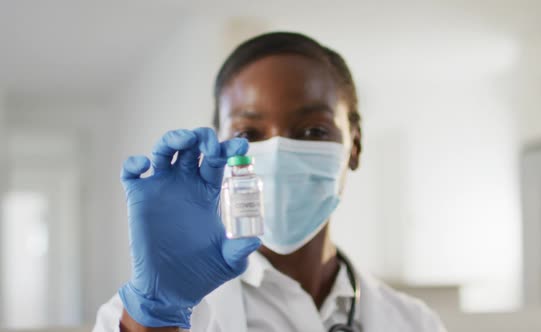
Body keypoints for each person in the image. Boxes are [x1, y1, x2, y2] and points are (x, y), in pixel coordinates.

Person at [93, 32, 447, 332]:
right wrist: (158, 313)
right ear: (220, 147)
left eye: (312, 130)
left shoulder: (414, 322)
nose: (278, 152)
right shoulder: (136, 319)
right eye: (249, 133)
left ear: (354, 145)